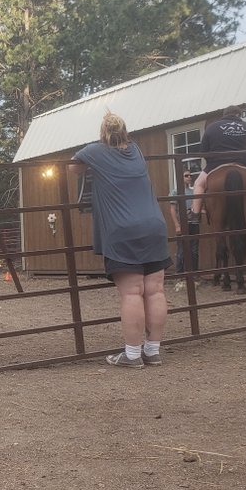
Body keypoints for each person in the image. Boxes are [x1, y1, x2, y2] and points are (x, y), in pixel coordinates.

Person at [71, 111, 171, 369]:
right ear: (125, 131)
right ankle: (153, 351)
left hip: (123, 229)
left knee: (131, 292)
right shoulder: (136, 150)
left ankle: (132, 355)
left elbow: (72, 168)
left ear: (102, 132)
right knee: (156, 291)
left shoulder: (94, 151)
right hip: (154, 225)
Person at [190, 106, 246, 218]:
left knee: (198, 184)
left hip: (216, 163)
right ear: (238, 115)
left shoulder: (212, 127)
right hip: (244, 162)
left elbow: (203, 151)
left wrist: (211, 162)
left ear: (224, 114)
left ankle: (195, 215)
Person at [168, 169, 200, 278]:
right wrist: (177, 225)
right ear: (181, 178)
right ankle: (180, 276)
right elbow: (172, 209)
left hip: (194, 223)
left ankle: (194, 275)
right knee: (181, 251)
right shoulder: (175, 192)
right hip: (183, 224)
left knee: (194, 251)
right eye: (186, 175)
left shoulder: (193, 192)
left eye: (190, 175)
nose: (189, 177)